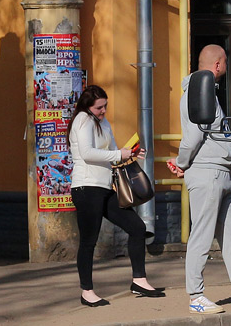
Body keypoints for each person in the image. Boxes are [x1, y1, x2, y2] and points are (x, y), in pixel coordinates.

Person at [68, 84, 164, 307]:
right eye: (99, 107)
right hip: (86, 187)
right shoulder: (82, 120)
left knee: (137, 227)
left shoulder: (103, 123)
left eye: (105, 106)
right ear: (87, 106)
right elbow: (88, 153)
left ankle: (139, 280)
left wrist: (130, 153)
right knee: (88, 241)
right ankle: (87, 291)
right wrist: (117, 153)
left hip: (104, 187)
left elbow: (112, 154)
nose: (103, 111)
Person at [168, 44, 231, 315]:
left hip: (220, 172)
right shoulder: (199, 91)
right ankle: (195, 296)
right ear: (218, 65)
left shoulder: (206, 89)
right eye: (226, 63)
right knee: (202, 234)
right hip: (208, 172)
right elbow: (194, 136)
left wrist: (182, 163)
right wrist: (182, 162)